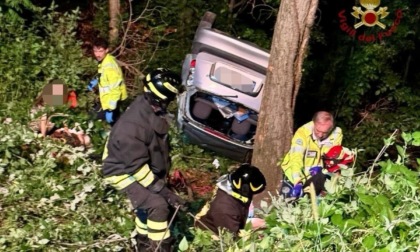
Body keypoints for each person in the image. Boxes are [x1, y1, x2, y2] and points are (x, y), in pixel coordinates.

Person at [101, 68, 185, 252]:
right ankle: (158, 248)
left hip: (136, 166)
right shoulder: (132, 126)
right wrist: (164, 192)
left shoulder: (150, 108)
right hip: (120, 171)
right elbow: (137, 168)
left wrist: (162, 180)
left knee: (148, 202)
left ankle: (142, 243)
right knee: (158, 205)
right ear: (164, 96)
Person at [280, 111, 343, 199]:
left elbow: (333, 158)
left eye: (325, 132)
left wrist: (322, 168)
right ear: (313, 123)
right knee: (287, 203)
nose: (320, 135)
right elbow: (296, 158)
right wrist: (297, 181)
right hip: (295, 174)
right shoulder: (302, 133)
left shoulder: (336, 133)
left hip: (317, 174)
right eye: (318, 131)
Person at [195, 163, 266, 236]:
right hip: (211, 237)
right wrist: (252, 232)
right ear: (245, 189)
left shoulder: (234, 192)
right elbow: (230, 239)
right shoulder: (225, 209)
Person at [88, 37, 127, 125]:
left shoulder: (109, 67)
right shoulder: (105, 61)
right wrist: (97, 80)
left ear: (107, 50)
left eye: (100, 51)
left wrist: (110, 109)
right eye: (95, 51)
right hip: (108, 100)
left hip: (113, 101)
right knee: (115, 124)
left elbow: (115, 90)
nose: (97, 54)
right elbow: (105, 76)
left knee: (91, 118)